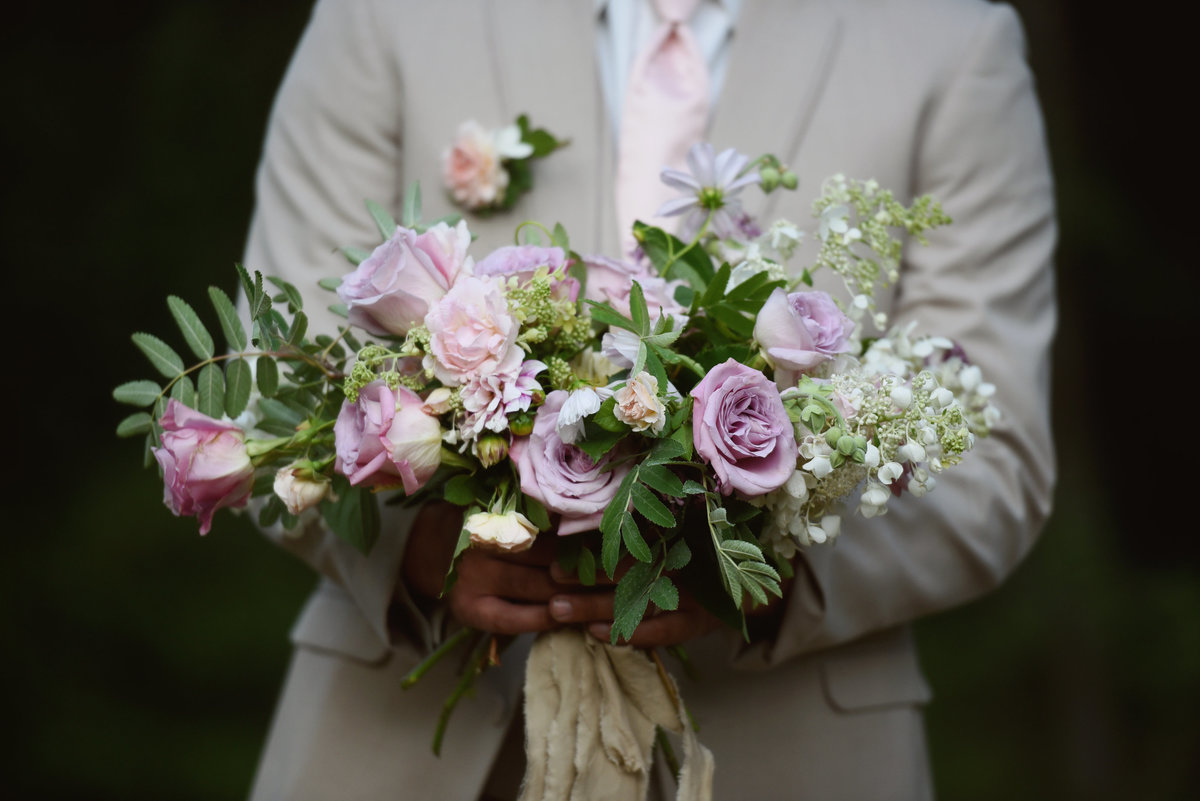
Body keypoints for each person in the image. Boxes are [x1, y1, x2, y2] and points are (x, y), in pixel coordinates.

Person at [240, 0, 1057, 799]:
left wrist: (756, 563)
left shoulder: (950, 41)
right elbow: (274, 387)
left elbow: (994, 459)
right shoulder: (383, 15)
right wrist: (426, 544)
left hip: (789, 751)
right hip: (398, 748)